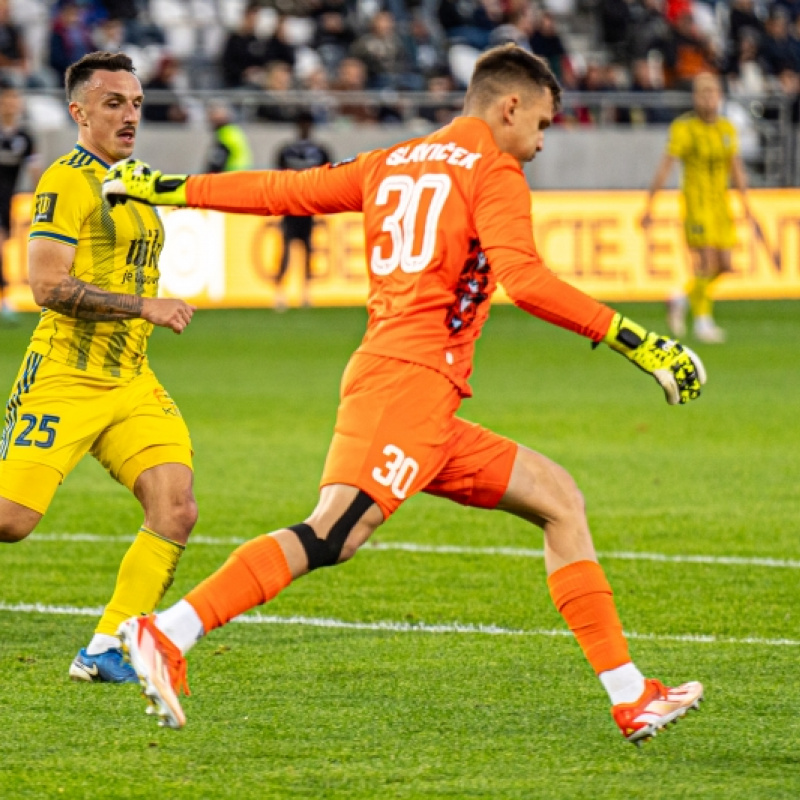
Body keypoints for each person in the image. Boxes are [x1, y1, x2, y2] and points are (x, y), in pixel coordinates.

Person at [104, 44, 706, 742]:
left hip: (416, 391)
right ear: (508, 106)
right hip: (408, 387)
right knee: (332, 532)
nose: (541, 144)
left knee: (558, 499)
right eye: (541, 125)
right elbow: (527, 280)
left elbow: (283, 191)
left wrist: (168, 188)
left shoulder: (393, 160)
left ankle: (631, 696)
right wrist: (639, 340)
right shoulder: (494, 170)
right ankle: (168, 632)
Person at [0, 51, 198, 683]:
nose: (129, 114)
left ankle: (108, 646)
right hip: (64, 374)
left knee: (176, 506)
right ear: (78, 111)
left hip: (131, 381)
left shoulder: (136, 179)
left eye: (137, 103)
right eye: (114, 102)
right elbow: (47, 285)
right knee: (11, 521)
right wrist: (145, 305)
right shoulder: (65, 180)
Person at [642, 72, 753, 343]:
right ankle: (704, 322)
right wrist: (650, 204)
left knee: (725, 265)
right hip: (696, 204)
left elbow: (735, 167)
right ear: (695, 98)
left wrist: (746, 202)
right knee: (705, 263)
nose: (708, 99)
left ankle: (680, 297)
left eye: (712, 93)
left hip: (720, 205)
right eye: (703, 94)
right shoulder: (684, 128)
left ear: (720, 97)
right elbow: (666, 166)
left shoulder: (727, 129)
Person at [272, 110, 331, 310]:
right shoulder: (287, 150)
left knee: (307, 249)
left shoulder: (320, 151)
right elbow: (278, 177)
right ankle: (280, 293)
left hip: (308, 207)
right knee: (286, 249)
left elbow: (329, 179)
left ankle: (306, 292)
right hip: (290, 206)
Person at [0, 85, 38, 322]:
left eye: (15, 98)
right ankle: (5, 298)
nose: (11, 103)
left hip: (7, 201)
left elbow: (35, 170)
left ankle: (5, 298)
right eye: (6, 99)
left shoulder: (24, 138)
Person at [204, 101, 252, 174]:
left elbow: (219, 158)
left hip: (230, 172)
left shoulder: (224, 133)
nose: (209, 119)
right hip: (242, 171)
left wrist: (209, 174)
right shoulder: (234, 130)